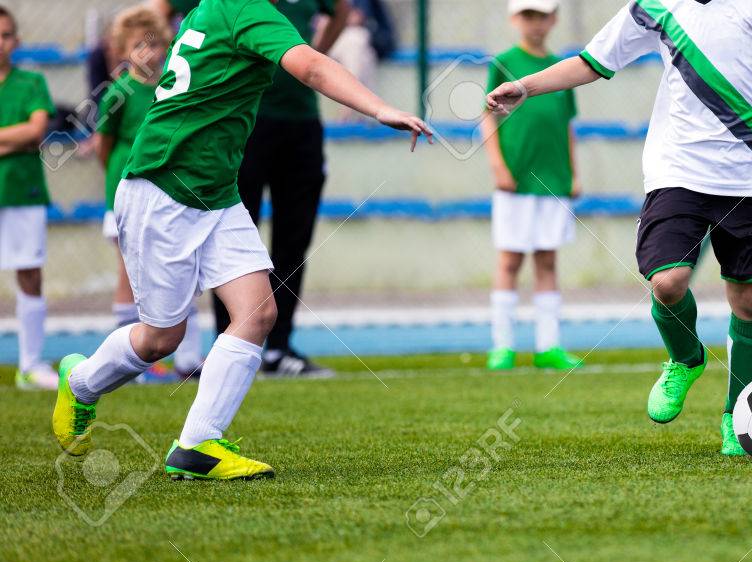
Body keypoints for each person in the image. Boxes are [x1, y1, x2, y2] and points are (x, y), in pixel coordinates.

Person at [53, 0, 431, 480]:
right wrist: (381, 109)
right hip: (165, 187)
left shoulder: (213, 9)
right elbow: (311, 67)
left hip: (215, 191)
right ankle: (82, 381)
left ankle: (196, 445)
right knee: (160, 339)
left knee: (258, 313)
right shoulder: (246, 9)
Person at [489, 0, 752, 455]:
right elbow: (593, 61)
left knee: (749, 301)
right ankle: (684, 358)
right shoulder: (655, 5)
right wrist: (525, 86)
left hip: (750, 172)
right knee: (667, 282)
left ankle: (738, 417)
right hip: (678, 171)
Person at [208, 0, 351, 378]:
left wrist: (315, 49)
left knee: (294, 239)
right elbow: (163, 11)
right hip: (246, 123)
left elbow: (341, 9)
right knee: (232, 238)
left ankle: (279, 348)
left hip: (301, 121)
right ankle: (227, 343)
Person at [97, 5, 207, 380]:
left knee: (181, 272)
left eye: (155, 44)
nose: (149, 53)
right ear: (121, 49)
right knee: (130, 275)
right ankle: (130, 365)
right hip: (127, 192)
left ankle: (188, 359)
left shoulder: (171, 88)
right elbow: (104, 145)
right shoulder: (118, 92)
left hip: (168, 192)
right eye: (138, 46)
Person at [482, 0, 584, 372]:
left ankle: (548, 346)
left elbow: (566, 125)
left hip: (553, 181)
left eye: (542, 15)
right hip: (516, 182)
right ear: (514, 19)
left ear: (554, 18)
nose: (536, 23)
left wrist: (573, 173)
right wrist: (499, 167)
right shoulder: (504, 62)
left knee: (547, 260)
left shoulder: (561, 70)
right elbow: (488, 120)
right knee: (509, 260)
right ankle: (503, 346)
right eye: (528, 15)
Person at [0, 6, 57, 391]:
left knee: (30, 273)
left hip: (23, 188)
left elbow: (36, 130)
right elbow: (19, 134)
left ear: (16, 41)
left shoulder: (32, 82)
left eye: (5, 34)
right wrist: (9, 138)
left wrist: (18, 137)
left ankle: (30, 364)